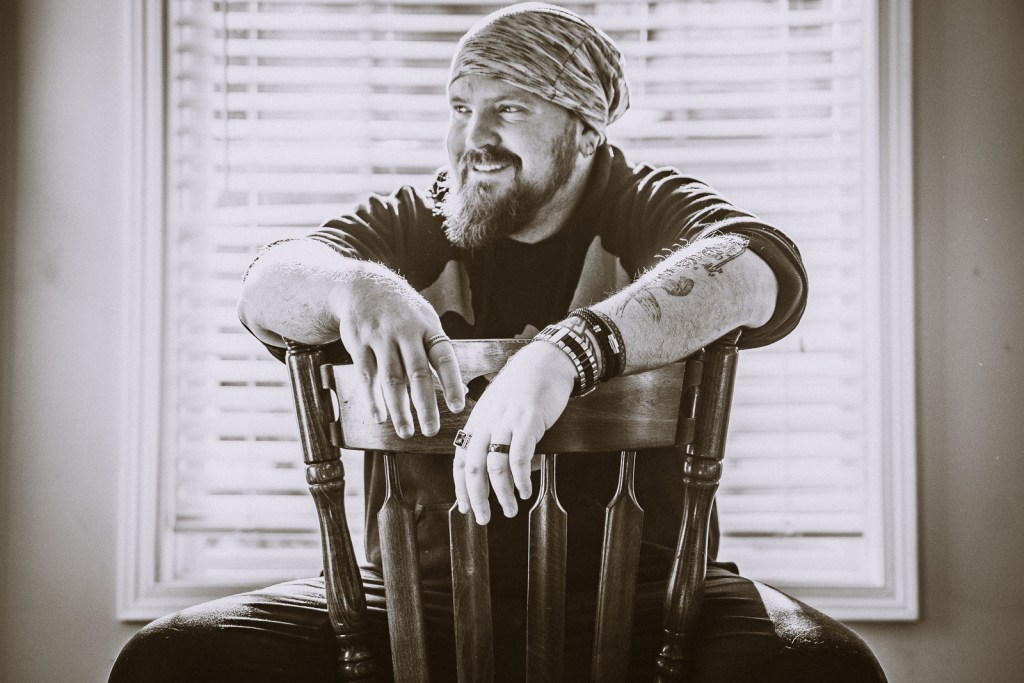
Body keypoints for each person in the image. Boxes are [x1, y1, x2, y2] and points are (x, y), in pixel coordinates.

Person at [111, 3, 886, 681]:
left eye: (508, 107)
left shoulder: (642, 204)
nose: (472, 137)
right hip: (410, 598)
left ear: (584, 132)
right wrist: (358, 287)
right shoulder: (417, 220)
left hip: (650, 596)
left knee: (829, 667)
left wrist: (569, 352)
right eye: (458, 106)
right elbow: (268, 282)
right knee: (166, 659)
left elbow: (758, 264)